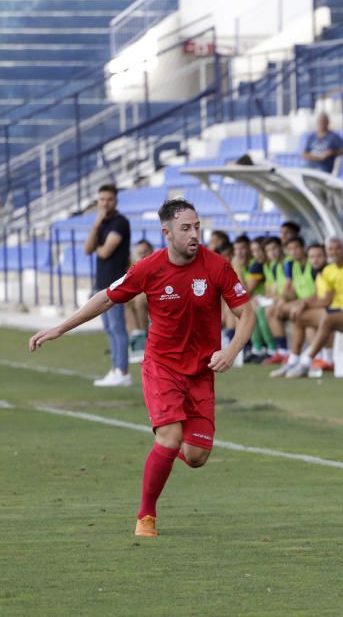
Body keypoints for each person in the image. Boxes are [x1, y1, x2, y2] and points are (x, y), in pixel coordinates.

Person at [29, 198, 254, 537]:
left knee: (196, 456)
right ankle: (146, 516)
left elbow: (246, 313)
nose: (195, 234)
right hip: (161, 367)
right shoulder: (148, 268)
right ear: (167, 233)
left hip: (200, 371)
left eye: (197, 226)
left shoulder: (217, 266)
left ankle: (168, 455)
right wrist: (60, 327)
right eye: (186, 228)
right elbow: (106, 297)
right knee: (170, 437)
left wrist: (232, 350)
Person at [284, 238, 343, 379]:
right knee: (298, 316)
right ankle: (293, 360)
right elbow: (323, 297)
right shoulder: (327, 271)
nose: (334, 252)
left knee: (326, 319)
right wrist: (302, 304)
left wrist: (304, 303)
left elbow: (326, 300)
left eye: (337, 248)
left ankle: (308, 361)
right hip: (336, 309)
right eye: (331, 249)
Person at [83, 184, 132, 387]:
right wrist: (95, 225)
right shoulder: (102, 223)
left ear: (116, 200)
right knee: (109, 329)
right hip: (101, 283)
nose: (105, 203)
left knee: (117, 327)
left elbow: (104, 252)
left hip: (116, 283)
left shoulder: (120, 223)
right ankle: (114, 369)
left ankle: (122, 370)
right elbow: (88, 249)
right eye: (102, 199)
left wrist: (98, 246)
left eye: (109, 199)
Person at [268, 237, 323, 377]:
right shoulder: (293, 265)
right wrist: (282, 299)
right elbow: (289, 291)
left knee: (299, 316)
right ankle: (291, 355)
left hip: (316, 304)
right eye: (290, 249)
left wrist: (301, 303)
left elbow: (320, 294)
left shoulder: (316, 268)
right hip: (304, 303)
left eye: (296, 248)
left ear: (303, 248)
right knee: (277, 310)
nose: (293, 252)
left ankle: (303, 358)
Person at [124, 238, 154, 339]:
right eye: (139, 253)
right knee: (125, 300)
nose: (142, 255)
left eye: (145, 252)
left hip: (158, 295)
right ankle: (134, 334)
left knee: (139, 300)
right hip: (143, 295)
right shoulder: (135, 267)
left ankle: (143, 335)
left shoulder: (157, 264)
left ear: (151, 251)